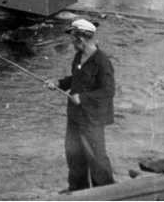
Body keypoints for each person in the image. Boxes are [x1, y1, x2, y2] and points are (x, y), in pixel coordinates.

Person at [45, 18, 115, 193]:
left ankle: (105, 193)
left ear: (81, 39)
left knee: (96, 158)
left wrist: (82, 98)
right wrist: (59, 83)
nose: (71, 42)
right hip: (74, 117)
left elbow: (108, 91)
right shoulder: (78, 56)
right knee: (74, 156)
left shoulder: (102, 61)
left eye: (73, 38)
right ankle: (77, 191)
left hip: (92, 120)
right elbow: (75, 79)